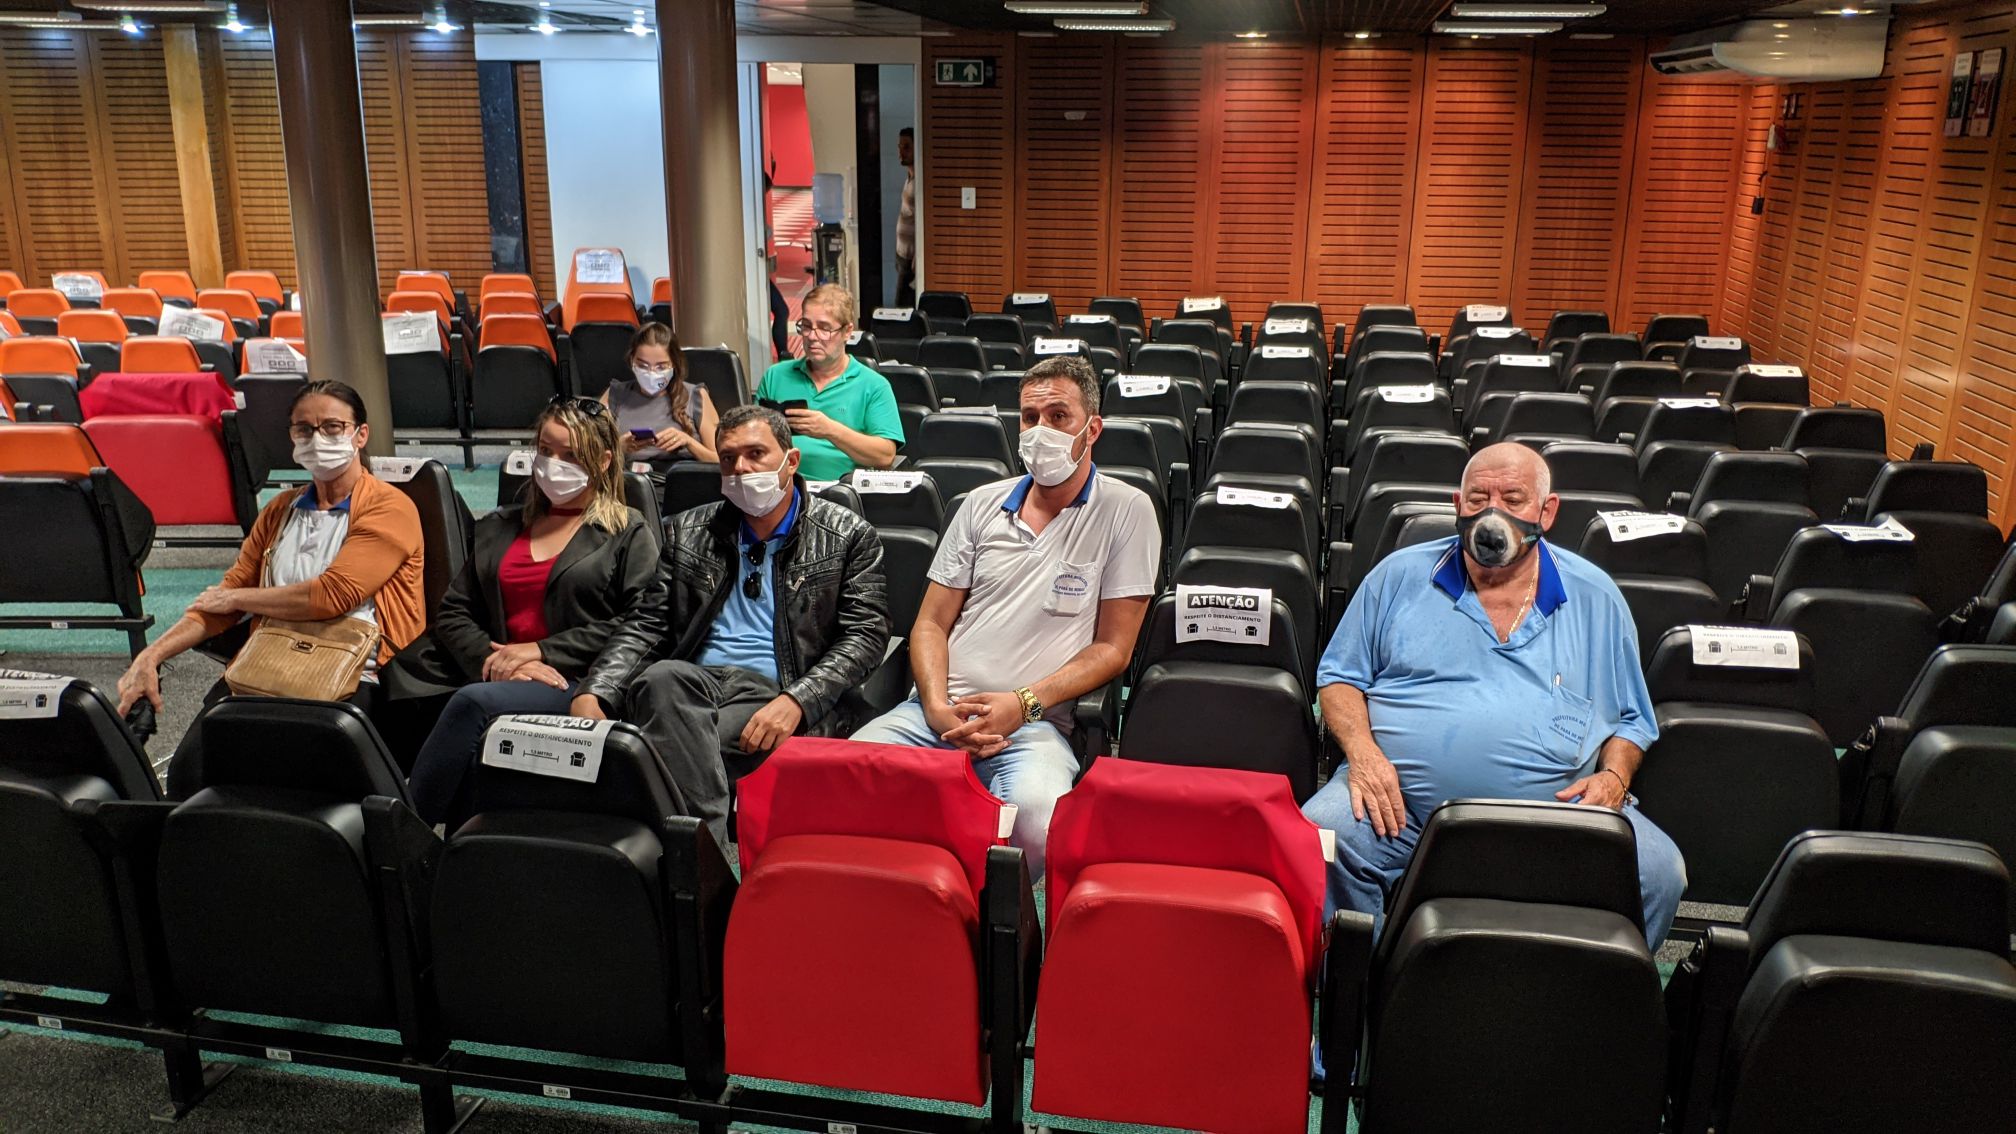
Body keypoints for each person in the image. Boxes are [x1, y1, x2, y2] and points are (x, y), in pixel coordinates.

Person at [1301, 441, 1687, 948]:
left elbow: (1633, 720)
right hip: (1402, 813)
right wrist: (1364, 755)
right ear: (1457, 505)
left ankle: (1592, 991)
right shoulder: (1397, 577)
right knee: (1320, 837)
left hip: (1554, 821)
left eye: (1513, 499)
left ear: (1546, 512)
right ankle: (1359, 989)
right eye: (1478, 498)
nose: (1492, 514)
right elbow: (1339, 679)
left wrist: (1614, 778)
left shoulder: (1596, 597)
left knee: (1660, 872)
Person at [850, 357, 1159, 876]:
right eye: (1030, 418)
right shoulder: (979, 504)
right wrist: (935, 706)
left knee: (1037, 825)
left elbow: (1113, 648)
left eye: (1058, 416)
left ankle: (975, 914)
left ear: (1092, 429)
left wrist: (1023, 703)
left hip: (1034, 724)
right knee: (844, 781)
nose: (1041, 431)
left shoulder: (1128, 510)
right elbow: (930, 624)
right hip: (934, 714)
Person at [567, 404, 891, 844]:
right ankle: (705, 857)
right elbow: (648, 624)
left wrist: (799, 700)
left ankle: (691, 854)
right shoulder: (687, 530)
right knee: (661, 680)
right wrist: (597, 689)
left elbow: (867, 635)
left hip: (776, 687)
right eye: (728, 458)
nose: (740, 468)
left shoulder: (847, 534)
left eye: (756, 454)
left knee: (658, 748)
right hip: (691, 684)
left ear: (791, 461)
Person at [385, 398, 658, 825]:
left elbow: (640, 622)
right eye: (546, 451)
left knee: (472, 704)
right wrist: (496, 662)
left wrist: (541, 651)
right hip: (499, 671)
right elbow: (454, 612)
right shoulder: (499, 525)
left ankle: (404, 831)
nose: (554, 465)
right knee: (395, 688)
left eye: (571, 455)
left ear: (604, 460)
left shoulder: (627, 530)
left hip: (575, 678)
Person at [115, 380, 425, 714]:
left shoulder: (388, 507)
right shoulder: (280, 509)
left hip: (356, 671)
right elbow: (223, 599)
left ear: (361, 435)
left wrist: (237, 598)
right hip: (271, 661)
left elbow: (332, 596)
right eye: (304, 429)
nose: (317, 439)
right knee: (207, 738)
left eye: (332, 427)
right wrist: (151, 656)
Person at [752, 283, 903, 481]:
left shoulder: (874, 385)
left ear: (847, 332)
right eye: (806, 326)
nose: (812, 337)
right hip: (779, 487)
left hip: (840, 489)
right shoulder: (775, 375)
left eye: (824, 329)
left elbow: (885, 456)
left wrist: (830, 430)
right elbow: (751, 437)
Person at [606, 322, 718, 469]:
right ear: (632, 359)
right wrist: (619, 447)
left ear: (674, 364)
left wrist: (689, 442)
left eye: (661, 367)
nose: (651, 373)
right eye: (643, 365)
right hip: (631, 479)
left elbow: (720, 460)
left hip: (681, 478)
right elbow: (589, 455)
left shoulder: (695, 396)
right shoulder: (616, 394)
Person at [894, 127, 916, 306]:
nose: (901, 152)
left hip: (912, 258)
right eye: (900, 147)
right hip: (902, 253)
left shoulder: (920, 181)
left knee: (903, 307)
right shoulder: (909, 176)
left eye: (907, 147)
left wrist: (918, 257)